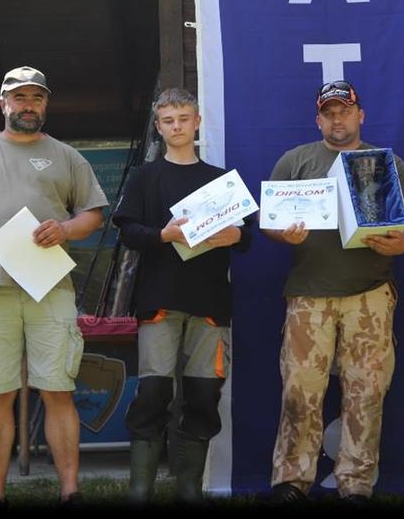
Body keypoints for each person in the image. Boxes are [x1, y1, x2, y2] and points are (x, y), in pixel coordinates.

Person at [0, 66, 108, 508]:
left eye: (37, 97)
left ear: (45, 104)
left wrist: (66, 229)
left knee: (58, 390)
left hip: (50, 287)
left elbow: (94, 215)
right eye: (20, 97)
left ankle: (70, 491)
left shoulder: (67, 156)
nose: (28, 105)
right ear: (3, 103)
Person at [264, 80, 404, 504]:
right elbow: (270, 219)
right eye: (329, 112)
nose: (338, 119)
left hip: (369, 292)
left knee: (367, 389)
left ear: (360, 115)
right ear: (318, 119)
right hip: (308, 293)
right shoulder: (295, 160)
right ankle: (290, 481)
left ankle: (356, 483)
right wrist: (285, 235)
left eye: (345, 110)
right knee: (299, 389)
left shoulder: (384, 161)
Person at [111, 88, 254, 504]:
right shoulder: (144, 177)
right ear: (158, 127)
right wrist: (164, 234)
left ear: (197, 122)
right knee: (153, 393)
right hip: (158, 302)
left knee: (203, 396)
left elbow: (246, 238)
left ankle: (189, 489)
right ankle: (141, 490)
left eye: (183, 118)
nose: (176, 126)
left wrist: (236, 234)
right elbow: (128, 233)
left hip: (210, 305)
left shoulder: (220, 180)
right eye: (168, 120)